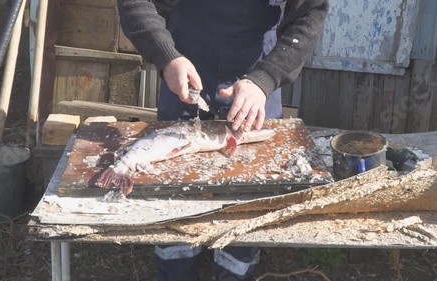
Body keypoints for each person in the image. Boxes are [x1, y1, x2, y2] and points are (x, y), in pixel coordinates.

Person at [118, 0, 329, 280]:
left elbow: (311, 12)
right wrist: (166, 55)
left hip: (256, 82)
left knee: (246, 204)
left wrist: (265, 78)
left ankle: (237, 270)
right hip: (184, 69)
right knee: (171, 204)